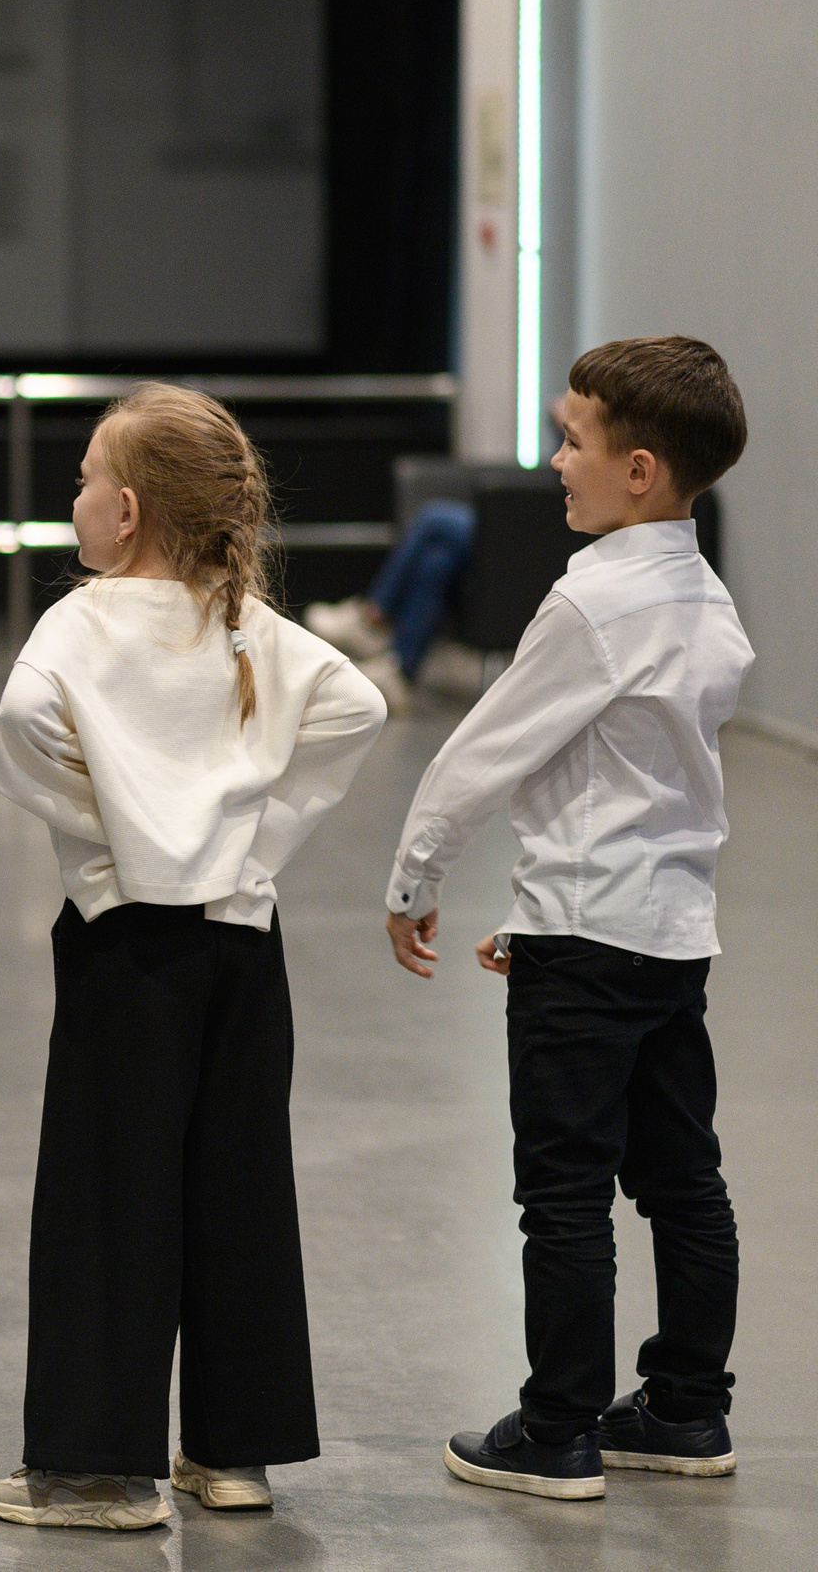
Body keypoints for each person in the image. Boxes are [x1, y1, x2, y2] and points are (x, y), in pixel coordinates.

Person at [0, 385, 388, 1529]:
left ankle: (95, 1468)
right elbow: (355, 707)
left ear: (123, 508)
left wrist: (113, 841)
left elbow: (16, 733)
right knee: (236, 1183)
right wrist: (256, 837)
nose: (70, 497)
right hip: (241, 938)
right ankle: (233, 1449)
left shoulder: (80, 621)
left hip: (124, 945)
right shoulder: (244, 618)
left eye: (79, 479)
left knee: (109, 1191)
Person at [384, 336, 752, 1501]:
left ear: (638, 468)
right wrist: (535, 915)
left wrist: (414, 878)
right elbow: (635, 783)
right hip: (667, 937)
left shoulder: (592, 599)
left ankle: (557, 1431)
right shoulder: (704, 593)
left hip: (586, 942)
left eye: (571, 438)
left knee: (563, 1191)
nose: (554, 461)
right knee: (683, 1180)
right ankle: (688, 1409)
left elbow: (481, 753)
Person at [304, 497, 477, 713]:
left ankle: (373, 617)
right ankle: (399, 671)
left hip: (521, 533)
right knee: (436, 564)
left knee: (433, 518)